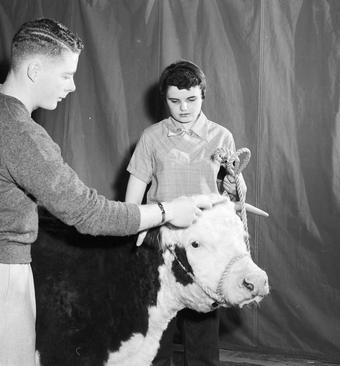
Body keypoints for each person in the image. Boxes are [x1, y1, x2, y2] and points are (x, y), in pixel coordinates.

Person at [0, 19, 217, 366]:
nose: (73, 86)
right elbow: (89, 213)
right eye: (66, 75)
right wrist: (168, 212)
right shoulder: (20, 133)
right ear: (34, 70)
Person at [125, 60, 247, 366]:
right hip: (161, 242)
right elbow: (133, 195)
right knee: (157, 334)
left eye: (191, 99)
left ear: (203, 95)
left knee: (202, 334)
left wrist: (234, 184)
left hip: (205, 247)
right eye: (175, 101)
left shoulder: (222, 137)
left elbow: (234, 195)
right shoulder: (151, 137)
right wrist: (130, 229)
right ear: (164, 98)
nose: (183, 108)